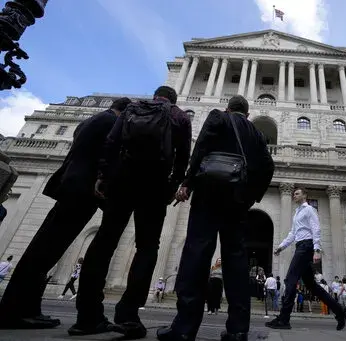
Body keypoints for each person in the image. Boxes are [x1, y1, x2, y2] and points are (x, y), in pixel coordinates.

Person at [0, 98, 131, 330]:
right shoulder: (112, 122)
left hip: (70, 186)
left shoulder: (91, 120)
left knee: (45, 249)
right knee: (46, 251)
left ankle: (27, 308)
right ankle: (15, 310)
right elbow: (106, 155)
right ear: (124, 112)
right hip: (83, 190)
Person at [71, 86, 191, 339]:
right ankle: (128, 315)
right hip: (155, 184)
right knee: (147, 247)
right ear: (173, 99)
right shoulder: (180, 116)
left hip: (122, 179)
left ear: (155, 95)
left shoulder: (131, 109)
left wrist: (103, 175)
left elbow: (111, 143)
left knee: (105, 240)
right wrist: (172, 186)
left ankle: (87, 315)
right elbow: (183, 158)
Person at [157, 95, 275, 341]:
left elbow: (201, 146)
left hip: (208, 193)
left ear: (228, 108)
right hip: (238, 201)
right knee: (237, 262)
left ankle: (184, 328)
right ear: (247, 113)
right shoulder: (255, 132)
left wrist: (188, 181)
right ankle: (238, 329)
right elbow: (268, 166)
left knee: (197, 255)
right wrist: (253, 196)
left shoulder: (217, 117)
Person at [266, 187, 346, 331]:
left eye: (297, 193)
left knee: (290, 280)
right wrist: (281, 247)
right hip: (300, 246)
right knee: (312, 286)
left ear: (304, 195)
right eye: (294, 194)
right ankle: (340, 310)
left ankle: (284, 319)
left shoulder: (309, 210)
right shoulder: (297, 213)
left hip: (306, 246)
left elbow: (316, 228)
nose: (294, 195)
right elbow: (293, 233)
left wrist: (317, 249)